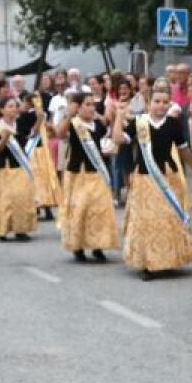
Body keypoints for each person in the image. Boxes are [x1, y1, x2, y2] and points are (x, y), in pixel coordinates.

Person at [112, 90, 192, 281]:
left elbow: (183, 149)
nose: (160, 105)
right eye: (156, 101)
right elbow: (118, 139)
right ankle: (149, 263)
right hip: (145, 177)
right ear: (149, 103)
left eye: (165, 101)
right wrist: (118, 116)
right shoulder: (139, 122)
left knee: (168, 218)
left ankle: (167, 258)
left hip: (168, 175)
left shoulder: (173, 124)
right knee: (148, 220)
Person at [57, 93, 119, 263]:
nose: (92, 107)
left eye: (93, 104)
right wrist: (69, 115)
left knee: (99, 209)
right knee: (80, 209)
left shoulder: (97, 124)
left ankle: (97, 246)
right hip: (78, 172)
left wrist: (113, 116)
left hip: (97, 172)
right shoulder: (73, 123)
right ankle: (78, 246)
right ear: (78, 107)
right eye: (87, 104)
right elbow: (60, 134)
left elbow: (109, 137)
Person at [0, 96, 40, 241]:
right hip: (4, 167)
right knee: (4, 199)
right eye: (9, 106)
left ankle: (21, 229)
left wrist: (40, 118)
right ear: (2, 110)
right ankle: (2, 229)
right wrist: (4, 138)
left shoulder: (21, 123)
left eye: (15, 106)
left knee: (21, 198)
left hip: (20, 166)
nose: (13, 109)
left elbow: (33, 133)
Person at [23, 94, 61, 221]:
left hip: (32, 151)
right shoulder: (41, 115)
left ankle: (37, 206)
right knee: (44, 178)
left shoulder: (26, 116)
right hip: (41, 151)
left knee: (34, 178)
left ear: (28, 103)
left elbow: (30, 133)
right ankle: (47, 208)